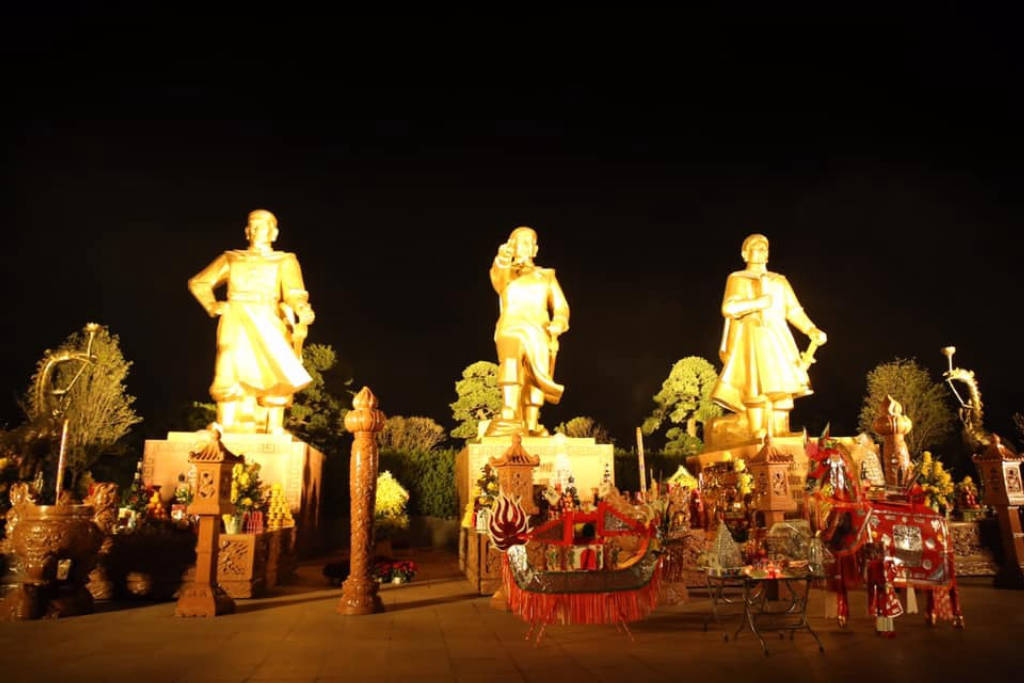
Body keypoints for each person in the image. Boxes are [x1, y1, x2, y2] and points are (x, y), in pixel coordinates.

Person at [188, 209, 315, 434]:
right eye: (253, 225)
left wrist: (302, 307)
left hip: (268, 317)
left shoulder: (284, 260)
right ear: (247, 231)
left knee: (275, 368)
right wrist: (212, 305)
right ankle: (225, 423)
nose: (257, 230)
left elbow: (295, 293)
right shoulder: (232, 258)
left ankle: (273, 425)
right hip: (235, 317)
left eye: (263, 226)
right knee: (229, 365)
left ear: (273, 233)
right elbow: (199, 282)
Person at [711, 233, 827, 440]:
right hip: (751, 337)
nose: (762, 251)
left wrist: (811, 329)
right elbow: (729, 308)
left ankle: (781, 430)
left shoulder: (779, 281)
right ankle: (757, 431)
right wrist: (757, 303)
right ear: (745, 253)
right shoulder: (737, 278)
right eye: (756, 248)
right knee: (755, 383)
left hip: (778, 337)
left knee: (782, 385)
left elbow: (793, 310)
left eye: (765, 248)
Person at [486, 226, 569, 437]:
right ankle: (509, 412)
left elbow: (561, 306)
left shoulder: (546, 276)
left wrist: (559, 321)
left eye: (531, 242)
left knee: (536, 375)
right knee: (511, 363)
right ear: (512, 246)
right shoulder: (507, 274)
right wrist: (503, 258)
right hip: (511, 327)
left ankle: (531, 423)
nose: (527, 246)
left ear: (536, 249)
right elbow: (498, 276)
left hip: (539, 330)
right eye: (522, 242)